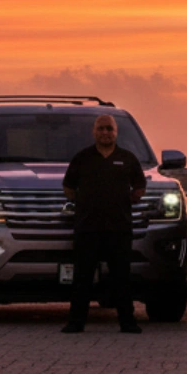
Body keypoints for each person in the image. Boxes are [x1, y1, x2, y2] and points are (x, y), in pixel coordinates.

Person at [60, 114, 147, 334]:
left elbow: (140, 186)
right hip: (87, 228)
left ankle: (128, 322)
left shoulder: (127, 158)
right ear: (94, 131)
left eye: (109, 129)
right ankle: (75, 323)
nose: (105, 133)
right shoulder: (83, 158)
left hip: (119, 229)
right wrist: (85, 202)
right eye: (101, 129)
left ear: (116, 132)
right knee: (82, 278)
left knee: (122, 278)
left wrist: (129, 198)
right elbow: (68, 187)